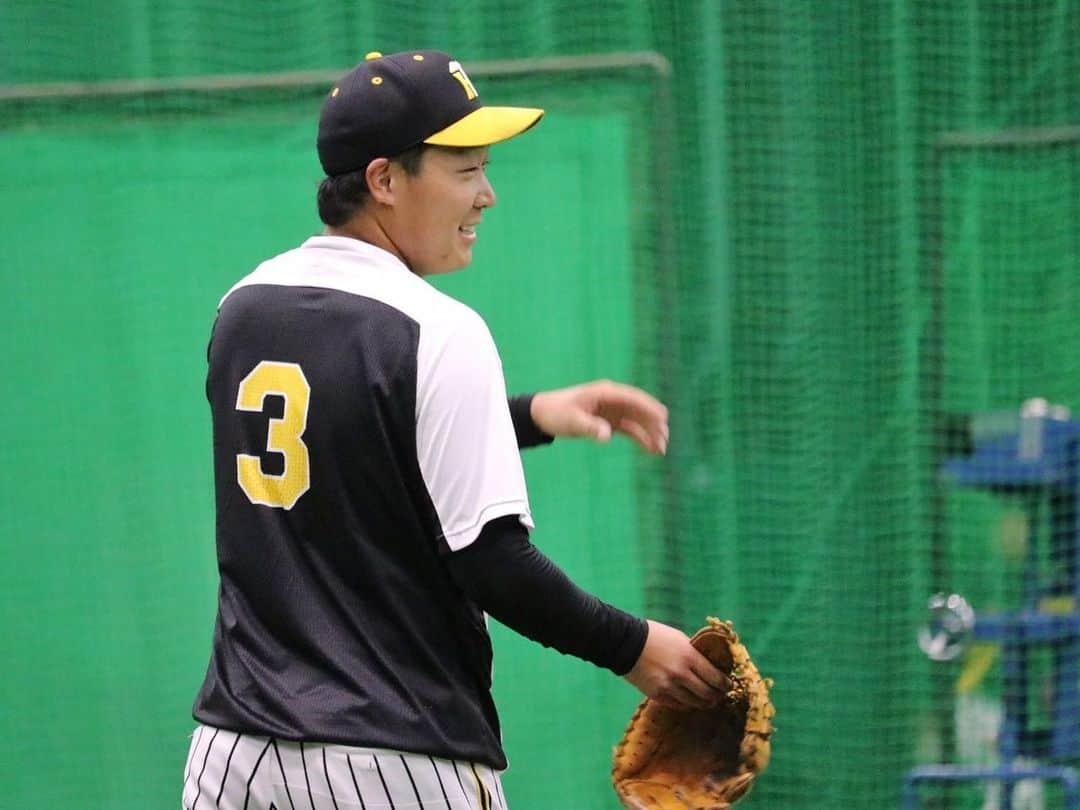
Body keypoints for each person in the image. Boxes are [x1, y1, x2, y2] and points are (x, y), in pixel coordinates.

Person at [183, 49, 728, 810]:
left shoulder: (243, 306)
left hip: (235, 757)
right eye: (466, 170)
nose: (488, 196)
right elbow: (493, 562)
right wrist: (634, 647)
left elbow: (359, 448)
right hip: (394, 757)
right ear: (383, 180)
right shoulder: (437, 330)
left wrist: (531, 415)